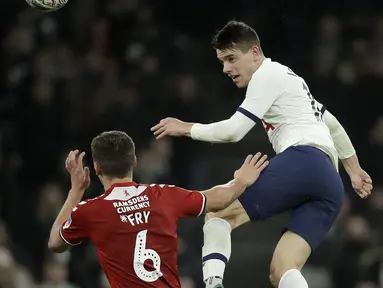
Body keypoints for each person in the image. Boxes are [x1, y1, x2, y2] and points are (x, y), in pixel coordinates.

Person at [150, 20, 373, 288]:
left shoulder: (266, 75)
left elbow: (234, 131)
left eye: (232, 58)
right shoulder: (291, 80)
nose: (226, 69)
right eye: (222, 62)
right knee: (282, 270)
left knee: (218, 214)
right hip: (330, 182)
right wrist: (353, 169)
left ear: (255, 53)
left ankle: (212, 284)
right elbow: (332, 124)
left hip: (303, 160)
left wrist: (185, 128)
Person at [47, 130, 269, 288]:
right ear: (134, 161)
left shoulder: (89, 211)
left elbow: (55, 243)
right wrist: (240, 181)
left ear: (96, 168)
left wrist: (76, 191)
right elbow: (219, 199)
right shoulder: (163, 194)